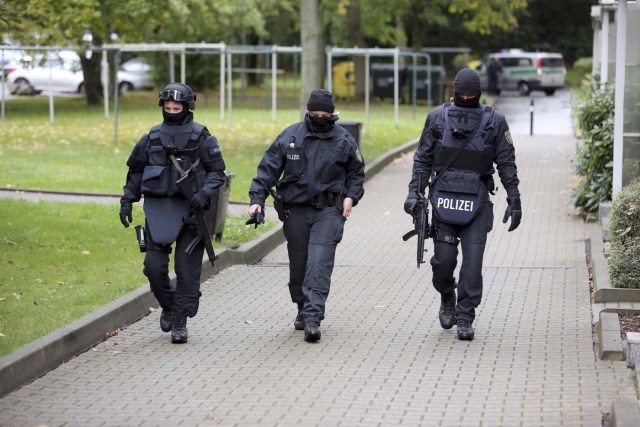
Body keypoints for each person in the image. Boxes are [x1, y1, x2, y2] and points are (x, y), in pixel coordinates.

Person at [404, 68, 522, 341]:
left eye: (471, 94)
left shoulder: (495, 121)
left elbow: (506, 162)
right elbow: (422, 160)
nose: (466, 98)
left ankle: (466, 316)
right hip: (444, 199)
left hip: (477, 201)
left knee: (473, 264)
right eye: (461, 94)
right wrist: (414, 193)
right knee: (442, 263)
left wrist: (514, 198)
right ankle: (447, 293)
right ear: (453, 92)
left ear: (479, 93)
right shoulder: (437, 118)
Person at [248, 89, 365, 343]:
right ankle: (301, 305)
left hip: (328, 211)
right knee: (299, 266)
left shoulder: (344, 140)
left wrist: (350, 196)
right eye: (315, 114)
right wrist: (257, 200)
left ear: (332, 114)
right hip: (296, 211)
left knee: (319, 263)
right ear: (308, 112)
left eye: (325, 114)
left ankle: (313, 317)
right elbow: (268, 169)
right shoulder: (290, 136)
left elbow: (357, 172)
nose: (320, 118)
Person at [119, 82, 227, 344]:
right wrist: (127, 199)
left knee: (186, 271)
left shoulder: (202, 136)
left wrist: (204, 194)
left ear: (187, 107)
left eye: (176, 107)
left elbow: (217, 173)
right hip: (159, 210)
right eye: (167, 107)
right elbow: (136, 171)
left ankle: (180, 320)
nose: (171, 111)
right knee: (153, 268)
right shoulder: (151, 137)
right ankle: (169, 305)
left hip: (192, 210)